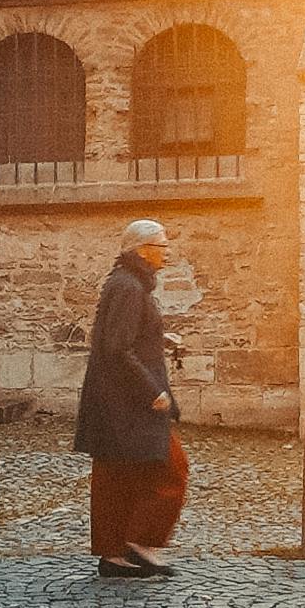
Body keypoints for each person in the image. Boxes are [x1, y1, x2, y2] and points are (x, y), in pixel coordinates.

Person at [73, 216, 187, 577]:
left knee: (117, 475)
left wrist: (158, 339)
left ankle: (113, 554)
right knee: (171, 468)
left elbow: (123, 335)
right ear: (142, 250)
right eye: (161, 246)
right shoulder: (129, 287)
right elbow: (117, 347)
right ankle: (141, 542)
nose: (167, 253)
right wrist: (154, 391)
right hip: (127, 401)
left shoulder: (128, 283)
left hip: (116, 400)